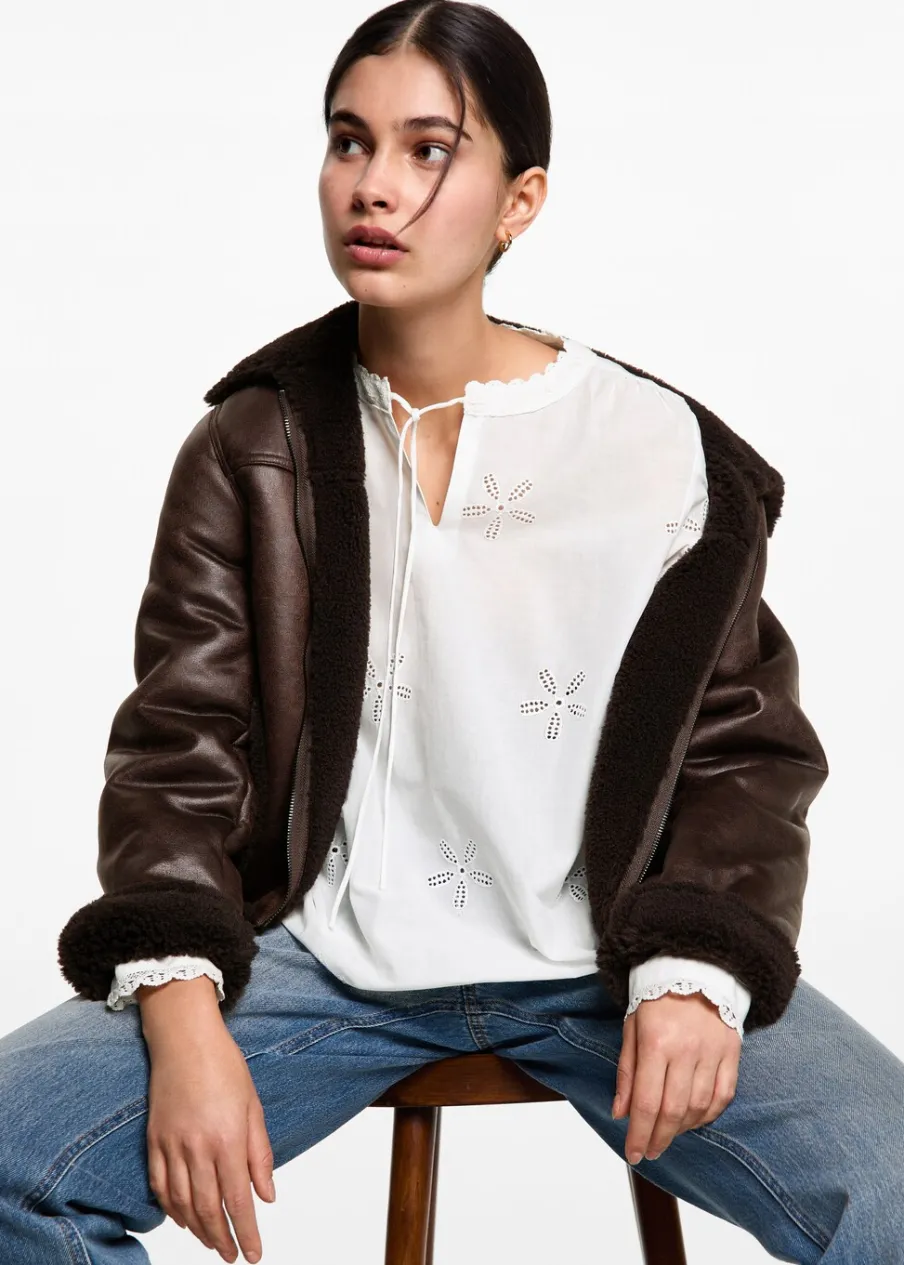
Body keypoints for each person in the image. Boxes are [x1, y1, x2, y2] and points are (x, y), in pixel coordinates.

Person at [2, 2, 902, 1262]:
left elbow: (744, 752)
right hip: (321, 959)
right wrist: (184, 1007)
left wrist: (695, 967)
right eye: (348, 140)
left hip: (608, 957)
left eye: (429, 149)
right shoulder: (252, 443)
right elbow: (177, 746)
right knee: (10, 1160)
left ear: (519, 199)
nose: (374, 186)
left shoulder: (657, 452)